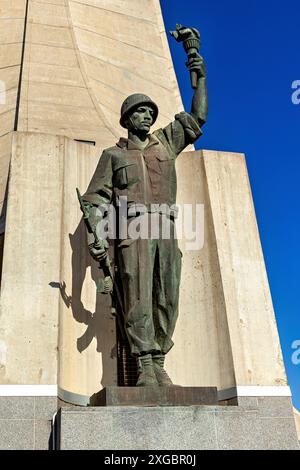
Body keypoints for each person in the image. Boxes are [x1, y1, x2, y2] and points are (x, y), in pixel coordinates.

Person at [82, 52, 207, 386]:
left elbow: (198, 116)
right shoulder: (114, 155)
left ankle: (160, 360)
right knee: (137, 295)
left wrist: (199, 73)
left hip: (165, 226)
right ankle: (146, 364)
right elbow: (95, 197)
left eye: (151, 111)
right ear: (127, 118)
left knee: (167, 294)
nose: (147, 115)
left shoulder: (167, 142)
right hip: (132, 229)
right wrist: (94, 229)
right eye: (140, 111)